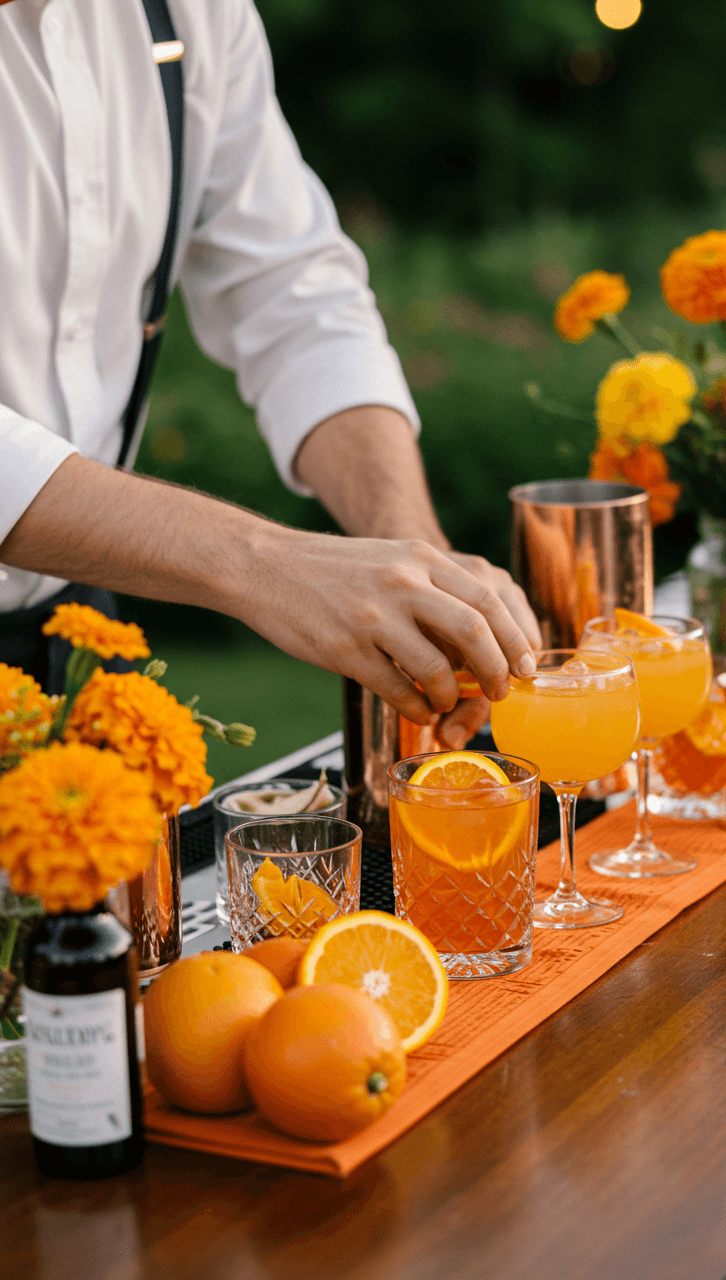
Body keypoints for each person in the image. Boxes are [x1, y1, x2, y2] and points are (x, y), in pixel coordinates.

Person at [0, 0, 539, 744]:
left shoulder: (192, 13)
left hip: (79, 640)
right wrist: (263, 564)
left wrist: (418, 553)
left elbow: (290, 293)